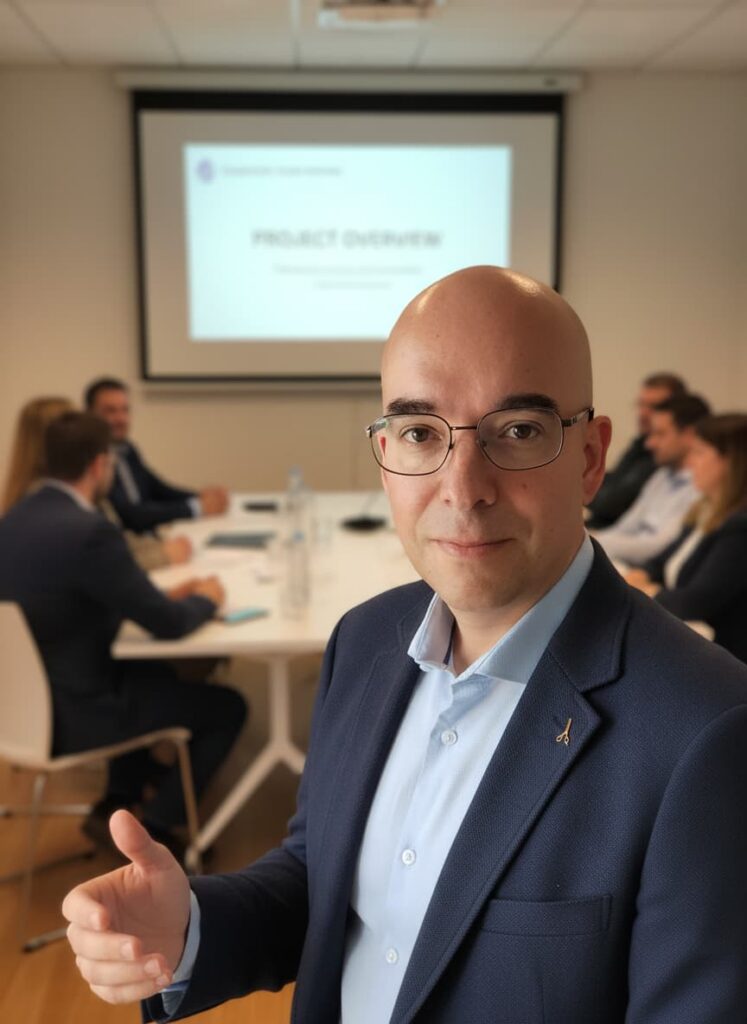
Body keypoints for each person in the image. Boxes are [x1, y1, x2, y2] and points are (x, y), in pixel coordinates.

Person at [64, 269, 747, 1023]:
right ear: (386, 452)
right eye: (421, 434)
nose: (463, 487)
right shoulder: (363, 642)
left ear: (589, 457)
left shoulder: (708, 732)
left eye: (518, 431)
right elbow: (322, 877)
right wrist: (192, 927)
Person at [0, 411, 246, 855]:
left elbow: (76, 599)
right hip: (74, 713)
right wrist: (207, 599)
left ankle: (116, 803)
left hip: (18, 707)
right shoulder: (90, 531)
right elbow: (169, 625)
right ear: (99, 465)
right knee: (228, 706)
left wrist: (163, 597)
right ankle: (156, 829)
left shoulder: (15, 518)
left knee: (159, 678)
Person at [1, 395, 192, 570]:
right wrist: (163, 555)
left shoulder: (54, 495)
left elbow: (117, 542)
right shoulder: (52, 506)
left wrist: (160, 547)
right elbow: (102, 563)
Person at [626, 413, 747, 663]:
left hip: (723, 661)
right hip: (689, 638)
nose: (690, 463)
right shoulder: (705, 509)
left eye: (699, 453)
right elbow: (662, 560)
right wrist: (642, 573)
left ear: (731, 462)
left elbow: (695, 602)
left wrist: (646, 590)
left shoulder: (740, 527)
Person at [84, 377, 229, 532]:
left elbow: (157, 489)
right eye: (111, 411)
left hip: (147, 536)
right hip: (125, 541)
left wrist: (199, 497)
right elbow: (131, 516)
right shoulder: (93, 460)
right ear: (89, 414)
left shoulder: (127, 449)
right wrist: (195, 508)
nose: (121, 419)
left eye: (125, 410)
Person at [592, 393, 709, 567]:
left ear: (689, 435)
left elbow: (658, 547)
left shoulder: (701, 486)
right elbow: (625, 527)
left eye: (660, 434)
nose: (649, 443)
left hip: (648, 570)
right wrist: (593, 540)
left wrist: (592, 542)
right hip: (623, 562)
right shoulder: (661, 476)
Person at [586, 372, 686, 529]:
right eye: (641, 405)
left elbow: (610, 503)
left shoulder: (663, 458)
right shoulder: (641, 443)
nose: (643, 413)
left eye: (653, 407)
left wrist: (582, 484)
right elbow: (613, 479)